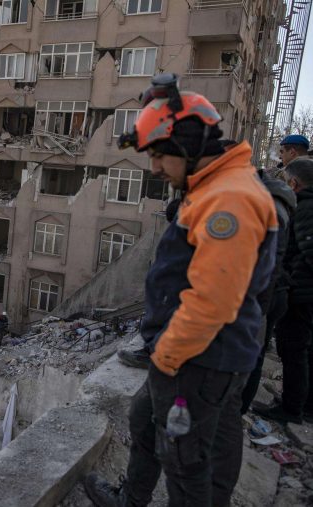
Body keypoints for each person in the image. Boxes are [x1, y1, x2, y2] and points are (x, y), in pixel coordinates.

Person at [84, 74, 278, 507]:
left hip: (199, 357)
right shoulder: (216, 186)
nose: (154, 167)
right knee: (152, 423)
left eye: (158, 154)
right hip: (209, 353)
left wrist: (167, 358)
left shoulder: (228, 199)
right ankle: (132, 498)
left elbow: (213, 300)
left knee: (186, 465)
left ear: (186, 145)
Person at [255, 158, 313, 424]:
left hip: (301, 295)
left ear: (293, 183)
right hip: (300, 291)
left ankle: (293, 409)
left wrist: (292, 277)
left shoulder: (306, 209)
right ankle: (298, 402)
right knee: (296, 350)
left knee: (294, 350)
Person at [240, 163, 296, 415]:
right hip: (274, 295)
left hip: (263, 300)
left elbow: (264, 264)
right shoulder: (277, 204)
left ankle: (237, 410)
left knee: (250, 361)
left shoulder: (268, 209)